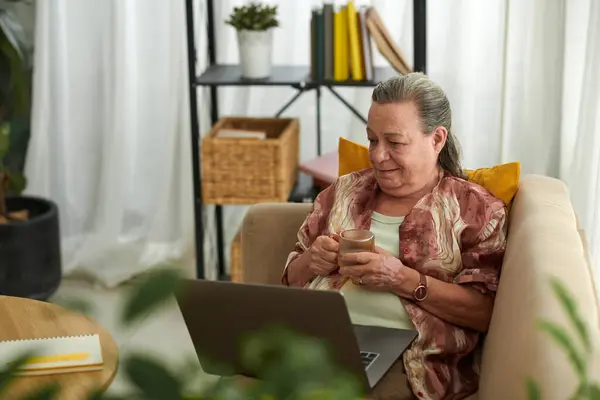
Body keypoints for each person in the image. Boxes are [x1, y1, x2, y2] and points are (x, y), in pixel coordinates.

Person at [282, 73, 507, 400]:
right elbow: (288, 282)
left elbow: (484, 312)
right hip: (315, 341)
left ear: (437, 139)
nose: (377, 155)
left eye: (395, 142)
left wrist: (402, 278)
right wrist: (309, 261)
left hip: (408, 360)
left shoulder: (475, 210)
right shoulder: (343, 192)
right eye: (373, 140)